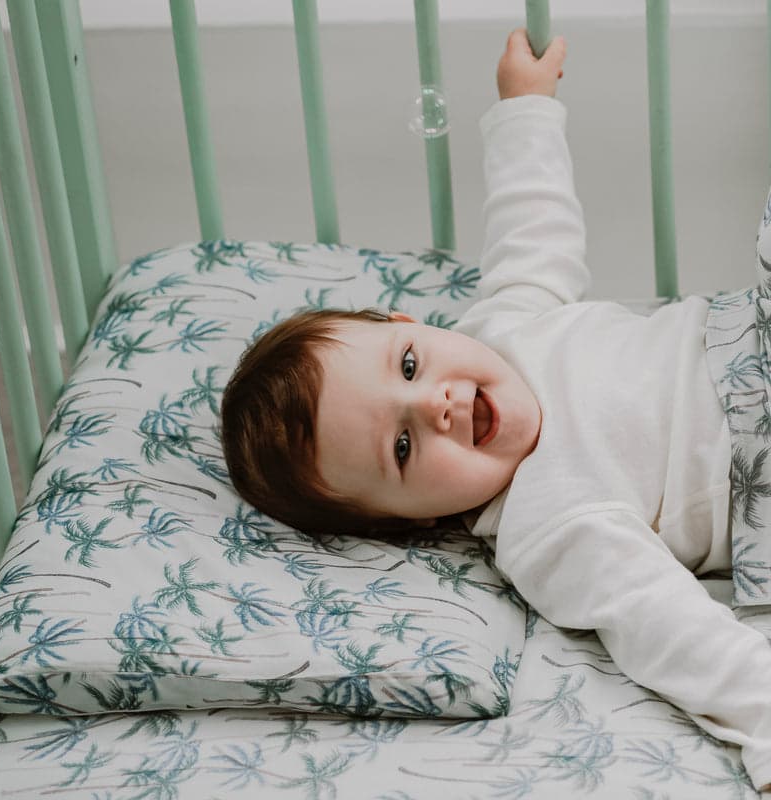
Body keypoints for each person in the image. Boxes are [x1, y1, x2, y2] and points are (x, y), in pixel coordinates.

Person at [221, 29, 771, 791]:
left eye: (409, 369)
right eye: (403, 449)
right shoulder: (544, 525)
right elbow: (662, 622)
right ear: (409, 521)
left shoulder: (505, 326)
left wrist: (526, 108)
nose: (437, 404)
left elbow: (532, 226)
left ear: (410, 328)